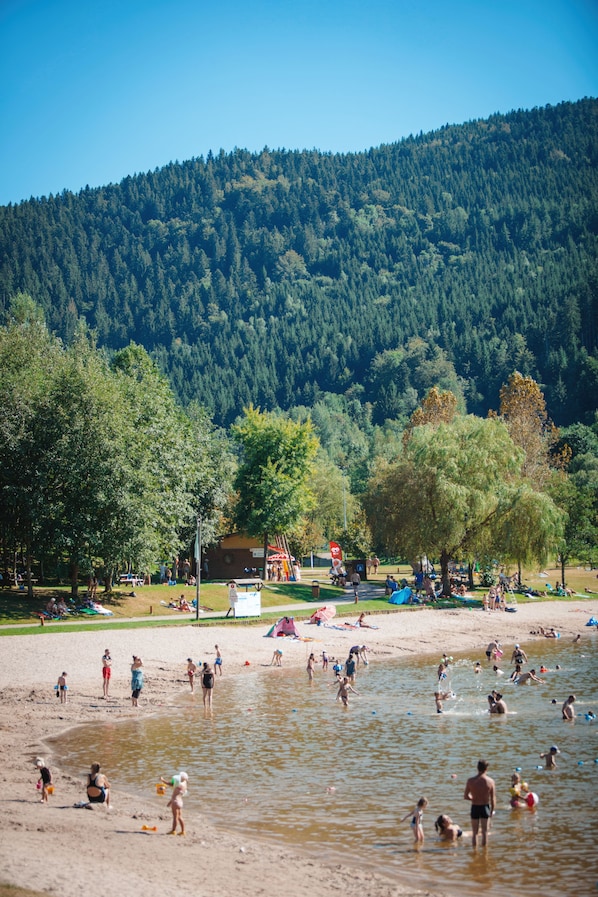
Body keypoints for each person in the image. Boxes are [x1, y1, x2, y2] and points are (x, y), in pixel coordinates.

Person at [464, 760, 496, 847]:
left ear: (477, 768)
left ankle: (475, 852)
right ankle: (485, 853)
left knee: (475, 832)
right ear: (486, 769)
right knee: (485, 832)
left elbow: (466, 796)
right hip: (485, 807)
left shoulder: (470, 781)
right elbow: (493, 799)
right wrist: (492, 811)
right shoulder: (490, 781)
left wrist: (473, 798)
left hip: (475, 806)